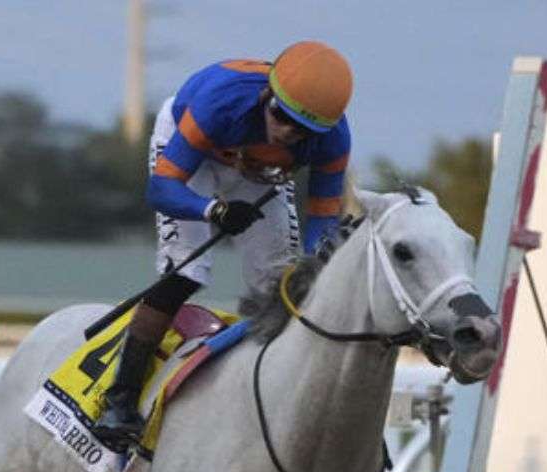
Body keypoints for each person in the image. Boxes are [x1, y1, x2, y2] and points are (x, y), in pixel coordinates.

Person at [92, 40, 353, 446]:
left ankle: (280, 393)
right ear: (267, 94)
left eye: (303, 132)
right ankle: (120, 397)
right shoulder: (220, 103)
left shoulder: (334, 140)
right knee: (187, 272)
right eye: (281, 117)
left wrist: (324, 253)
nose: (287, 133)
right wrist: (213, 211)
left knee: (286, 281)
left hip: (255, 171)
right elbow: (162, 190)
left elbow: (323, 218)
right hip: (193, 155)